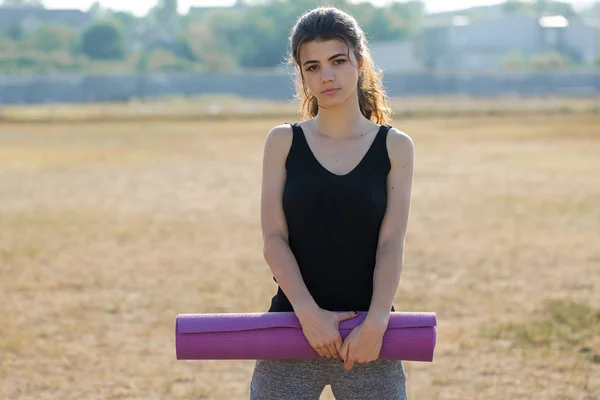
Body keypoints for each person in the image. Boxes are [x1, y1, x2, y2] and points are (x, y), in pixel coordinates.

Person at [250, 6, 414, 400]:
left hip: (368, 340)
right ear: (301, 74)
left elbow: (391, 243)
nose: (326, 75)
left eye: (338, 61)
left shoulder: (395, 147)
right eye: (312, 66)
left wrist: (376, 323)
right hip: (289, 329)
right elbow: (274, 239)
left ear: (359, 62)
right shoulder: (282, 142)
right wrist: (308, 314)